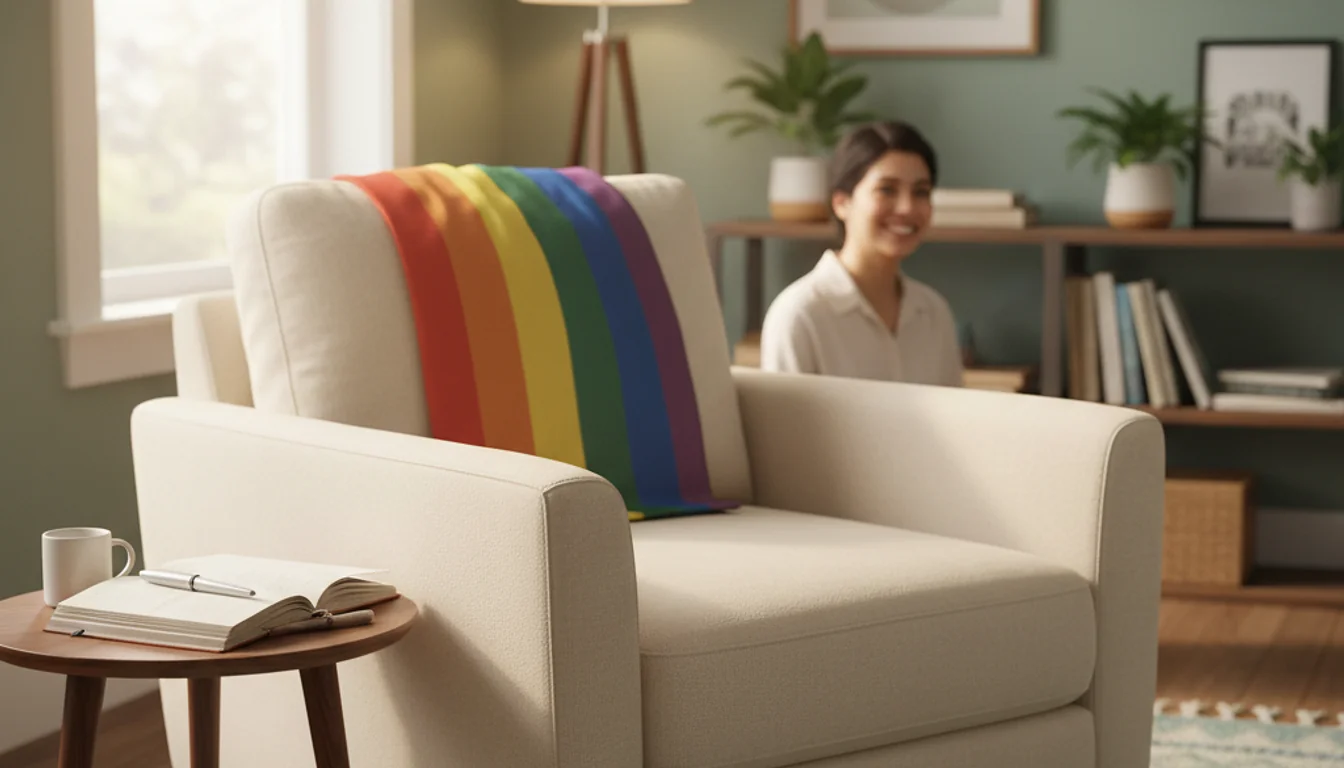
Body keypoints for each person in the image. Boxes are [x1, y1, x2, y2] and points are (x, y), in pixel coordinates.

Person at [759, 121, 964, 387]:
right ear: (842, 203)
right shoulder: (800, 315)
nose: (907, 207)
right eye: (887, 189)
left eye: (921, 192)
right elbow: (781, 428)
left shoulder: (934, 313)